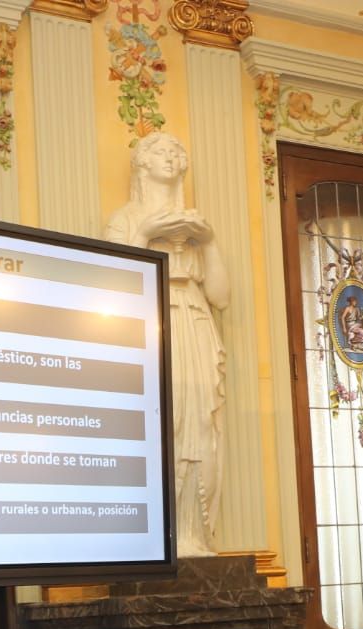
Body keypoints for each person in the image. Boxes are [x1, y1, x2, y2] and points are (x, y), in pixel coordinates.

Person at [104, 132, 230, 557]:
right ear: (142, 163)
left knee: (200, 426)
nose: (173, 156)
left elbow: (222, 296)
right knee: (166, 425)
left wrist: (208, 240)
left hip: (194, 324)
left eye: (178, 150)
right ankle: (162, 536)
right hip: (152, 328)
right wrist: (147, 232)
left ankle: (196, 535)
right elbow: (115, 286)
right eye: (161, 150)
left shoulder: (196, 225)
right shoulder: (124, 219)